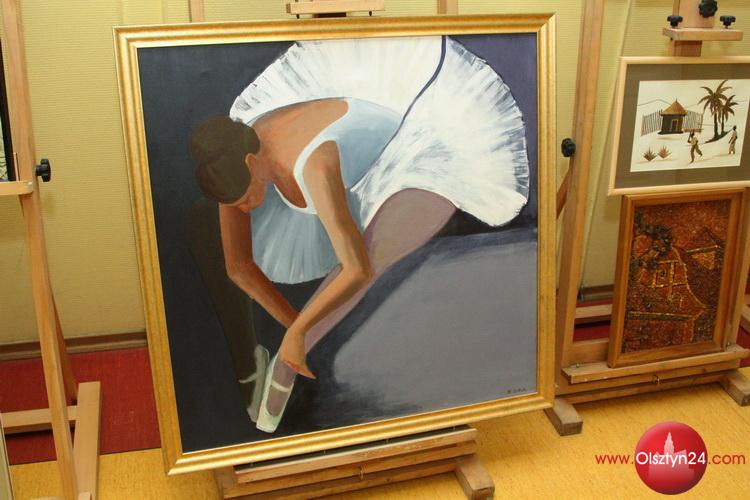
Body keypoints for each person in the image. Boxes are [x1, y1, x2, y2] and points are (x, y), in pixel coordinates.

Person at [189, 36, 530, 433]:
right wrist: (295, 324)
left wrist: (298, 334)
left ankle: (284, 366)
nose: (246, 209)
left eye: (246, 198)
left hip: (420, 140)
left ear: (252, 163)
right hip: (346, 165)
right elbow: (238, 266)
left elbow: (358, 269)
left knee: (373, 254)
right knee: (309, 299)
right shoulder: (230, 148)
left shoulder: (314, 165)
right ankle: (287, 354)